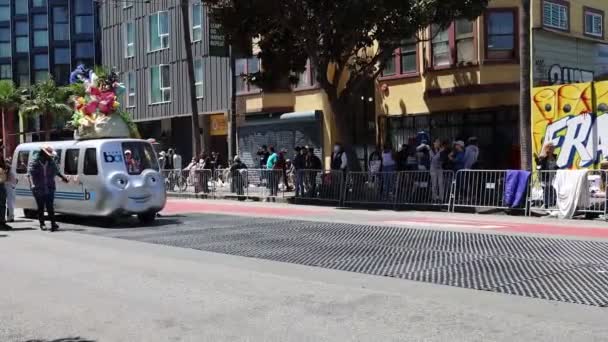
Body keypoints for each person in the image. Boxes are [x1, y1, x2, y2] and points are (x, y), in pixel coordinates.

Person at [27, 145, 69, 231]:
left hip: (49, 187)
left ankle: (53, 223)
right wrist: (32, 184)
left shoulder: (51, 162)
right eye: (48, 154)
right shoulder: (35, 162)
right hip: (38, 188)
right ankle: (42, 224)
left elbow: (57, 171)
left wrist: (63, 177)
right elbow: (30, 174)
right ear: (43, 154)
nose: (50, 156)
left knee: (50, 206)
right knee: (41, 207)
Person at [535, 142, 559, 209]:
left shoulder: (554, 156)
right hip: (545, 176)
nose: (553, 149)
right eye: (552, 147)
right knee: (546, 190)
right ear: (548, 148)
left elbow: (555, 165)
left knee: (552, 190)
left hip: (552, 176)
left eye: (553, 147)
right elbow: (539, 166)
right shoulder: (543, 157)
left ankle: (551, 204)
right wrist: (538, 162)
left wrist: (559, 169)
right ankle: (545, 204)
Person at [5, 157, 16, 222]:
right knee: (10, 203)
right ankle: (10, 217)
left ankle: (9, 217)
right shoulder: (11, 170)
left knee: (8, 203)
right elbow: (15, 180)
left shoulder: (6, 169)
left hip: (6, 186)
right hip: (10, 187)